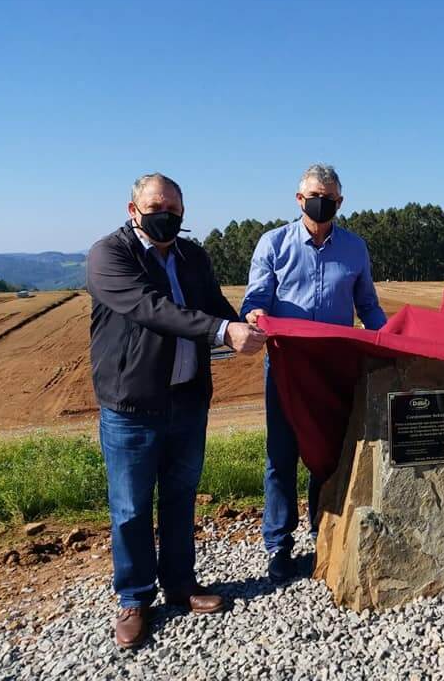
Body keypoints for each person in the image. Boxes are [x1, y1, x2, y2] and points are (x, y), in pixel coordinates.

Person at [87, 172, 266, 650]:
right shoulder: (110, 255)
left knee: (180, 498)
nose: (164, 215)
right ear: (133, 210)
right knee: (129, 507)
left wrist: (241, 320)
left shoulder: (192, 256)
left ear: (184, 214)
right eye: (155, 206)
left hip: (187, 399)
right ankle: (134, 598)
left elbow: (212, 305)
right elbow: (151, 309)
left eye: (173, 209)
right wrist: (224, 333)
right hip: (132, 405)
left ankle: (181, 585)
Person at [242, 163, 387, 584]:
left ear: (340, 202)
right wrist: (254, 313)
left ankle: (323, 529)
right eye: (313, 195)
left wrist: (390, 340)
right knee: (281, 455)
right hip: (288, 365)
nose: (321, 203)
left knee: (327, 453)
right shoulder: (274, 244)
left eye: (330, 197)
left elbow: (369, 306)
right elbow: (256, 297)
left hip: (336, 366)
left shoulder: (355, 248)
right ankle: (279, 546)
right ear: (299, 198)